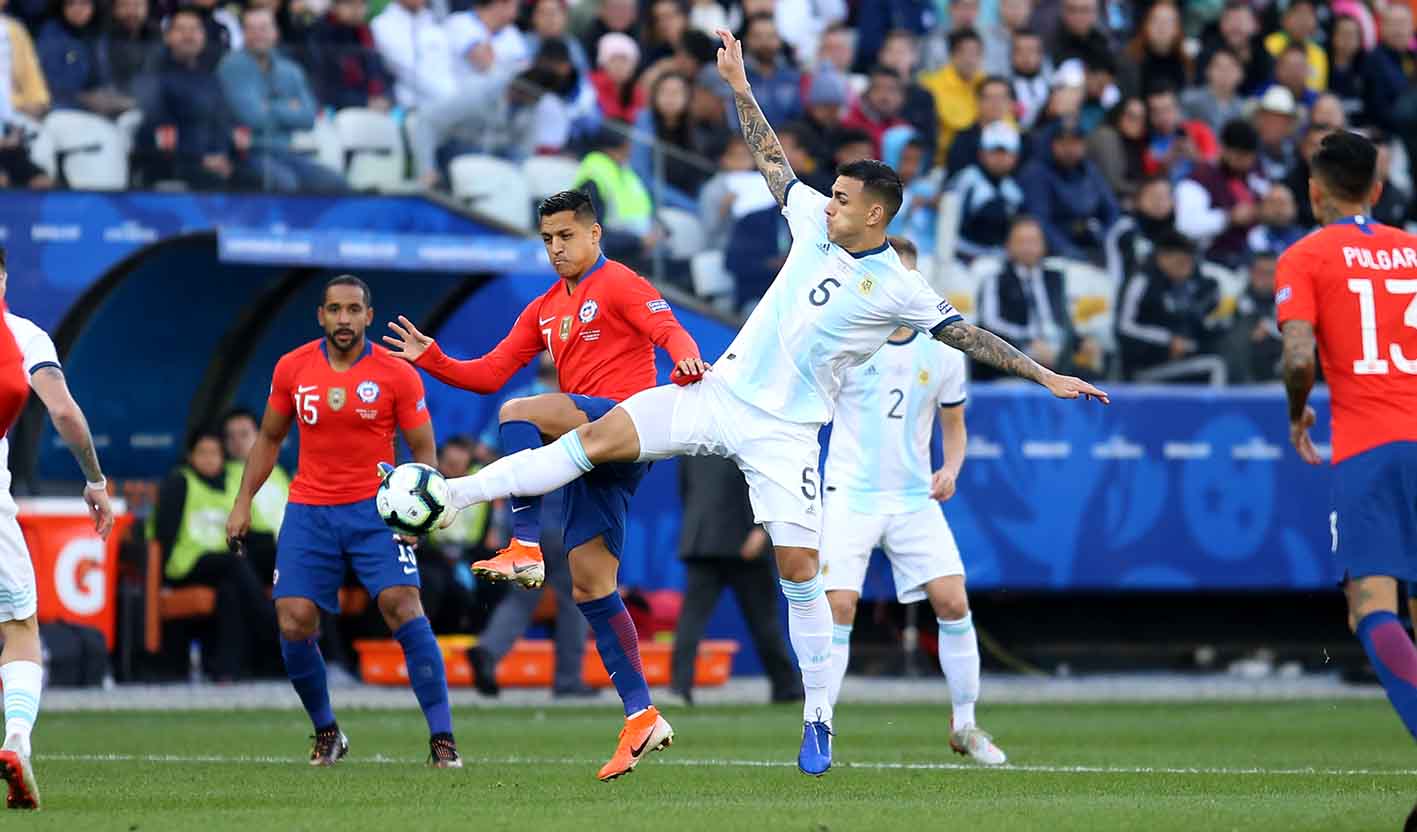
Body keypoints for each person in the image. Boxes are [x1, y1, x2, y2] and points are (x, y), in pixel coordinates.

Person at [429, 28, 1107, 778]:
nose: (829, 203)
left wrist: (1045, 376)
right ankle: (453, 495)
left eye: (844, 198)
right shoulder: (812, 222)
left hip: (786, 434)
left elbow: (966, 335)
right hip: (717, 394)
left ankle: (818, 720)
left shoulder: (903, 289)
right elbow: (772, 161)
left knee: (798, 568)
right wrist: (739, 88)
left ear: (874, 215)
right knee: (595, 437)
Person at [382, 188, 704, 780]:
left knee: (518, 413)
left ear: (594, 234)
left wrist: (685, 359)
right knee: (589, 588)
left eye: (566, 236)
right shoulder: (543, 309)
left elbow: (671, 331)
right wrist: (432, 358)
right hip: (589, 453)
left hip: (626, 420)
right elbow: (488, 372)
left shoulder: (622, 284)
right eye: (548, 239)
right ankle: (641, 714)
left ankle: (525, 543)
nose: (557, 248)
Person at [224, 275, 459, 768]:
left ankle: (442, 740)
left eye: (354, 310)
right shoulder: (293, 368)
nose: (344, 319)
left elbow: (423, 452)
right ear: (321, 315)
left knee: (401, 604)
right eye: (335, 310)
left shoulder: (397, 374)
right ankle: (327, 731)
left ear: (369, 317)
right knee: (292, 619)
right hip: (309, 509)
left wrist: (422, 513)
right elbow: (268, 438)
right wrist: (244, 500)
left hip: (375, 510)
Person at [818, 236, 1005, 765]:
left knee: (952, 600)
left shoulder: (943, 348)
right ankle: (820, 725)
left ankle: (965, 725)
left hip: (912, 496)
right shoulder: (845, 342)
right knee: (838, 606)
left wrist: (951, 468)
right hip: (850, 494)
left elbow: (955, 423)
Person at [1276, 132, 1417, 831]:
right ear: (1376, 189)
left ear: (1313, 188)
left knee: (1371, 606)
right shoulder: (1413, 251)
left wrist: (1298, 411)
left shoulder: (1305, 255)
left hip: (1370, 445)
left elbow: (1299, 353)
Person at [0, 246, 114, 811]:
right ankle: (17, 738)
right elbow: (64, 413)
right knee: (19, 623)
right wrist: (94, 479)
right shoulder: (23, 337)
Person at [670, 453, 800, 706]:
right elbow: (767, 487)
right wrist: (760, 529)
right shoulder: (748, 433)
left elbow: (685, 491)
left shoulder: (694, 441)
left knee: (693, 620)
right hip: (743, 541)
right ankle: (787, 687)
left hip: (703, 540)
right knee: (764, 622)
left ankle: (679, 687)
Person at [154, 430, 277, 681]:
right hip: (187, 564)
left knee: (230, 590)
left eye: (215, 453)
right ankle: (271, 626)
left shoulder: (232, 484)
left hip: (225, 566)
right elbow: (163, 532)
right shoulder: (181, 482)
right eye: (203, 453)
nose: (209, 459)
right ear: (190, 456)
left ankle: (226, 670)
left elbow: (253, 528)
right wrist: (160, 583)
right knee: (233, 564)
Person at [217, 8, 346, 193]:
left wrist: (269, 106)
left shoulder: (290, 69)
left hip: (287, 152)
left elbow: (309, 117)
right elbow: (252, 117)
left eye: (263, 28)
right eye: (251, 29)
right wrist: (288, 108)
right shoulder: (231, 66)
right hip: (249, 153)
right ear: (243, 33)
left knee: (335, 183)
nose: (257, 35)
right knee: (285, 184)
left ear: (275, 32)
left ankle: (310, 223)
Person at [135, 8, 240, 190]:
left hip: (215, 159)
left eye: (195, 30)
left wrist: (222, 154)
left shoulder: (211, 77)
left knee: (254, 177)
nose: (189, 36)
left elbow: (224, 120)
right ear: (167, 36)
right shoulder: (156, 76)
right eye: (181, 30)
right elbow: (157, 129)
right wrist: (202, 158)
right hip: (175, 163)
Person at [976, 217, 1089, 378]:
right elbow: (989, 323)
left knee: (1094, 382)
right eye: (1021, 241)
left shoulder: (1056, 278)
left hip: (1058, 358)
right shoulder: (996, 280)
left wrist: (1081, 342)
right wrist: (1027, 343)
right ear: (1008, 245)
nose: (1028, 247)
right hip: (1014, 359)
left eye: (1033, 241)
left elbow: (1064, 321)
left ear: (1043, 245)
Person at [1115, 229, 1223, 381]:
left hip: (1184, 357)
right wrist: (1167, 341)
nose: (1187, 268)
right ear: (1162, 258)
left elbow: (1199, 325)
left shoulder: (1192, 285)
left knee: (1224, 351)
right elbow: (1124, 326)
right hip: (1146, 364)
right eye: (1181, 262)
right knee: (1215, 366)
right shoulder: (1141, 281)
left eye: (1189, 262)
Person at [1018, 118, 1118, 263]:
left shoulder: (1089, 170)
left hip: (1092, 242)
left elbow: (1112, 209)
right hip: (1054, 253)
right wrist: (1068, 251)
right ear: (1051, 144)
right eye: (1063, 143)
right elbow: (1039, 221)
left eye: (1076, 142)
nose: (1070, 149)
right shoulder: (1036, 173)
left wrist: (1107, 238)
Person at [1176, 118, 1263, 269]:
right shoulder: (1199, 179)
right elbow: (1186, 225)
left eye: (1250, 157)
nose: (1246, 163)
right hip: (1210, 261)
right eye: (1239, 156)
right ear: (1223, 148)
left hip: (1251, 259)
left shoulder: (1253, 175)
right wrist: (1228, 217)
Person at [221, 407, 288, 583]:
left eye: (244, 434)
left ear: (259, 436)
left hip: (289, 543)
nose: (237, 442)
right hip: (259, 547)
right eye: (231, 436)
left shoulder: (278, 472)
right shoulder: (224, 474)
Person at [949, 120, 1024, 262]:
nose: (1000, 158)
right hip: (962, 257)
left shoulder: (1013, 190)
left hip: (998, 258)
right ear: (982, 153)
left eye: (1006, 153)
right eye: (994, 152)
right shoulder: (966, 180)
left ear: (1015, 157)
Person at [304, 0, 393, 111]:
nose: (356, 10)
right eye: (350, 4)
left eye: (362, 4)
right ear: (334, 6)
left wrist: (385, 97)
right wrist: (364, 102)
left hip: (374, 107)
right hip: (338, 112)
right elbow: (324, 86)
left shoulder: (365, 34)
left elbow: (381, 73)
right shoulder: (321, 35)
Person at [920, 28, 984, 166]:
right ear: (952, 55)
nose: (970, 59)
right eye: (964, 53)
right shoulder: (931, 85)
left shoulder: (986, 83)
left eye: (976, 53)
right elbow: (960, 124)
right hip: (944, 162)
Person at [1219, 250, 1281, 384]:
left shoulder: (1289, 299)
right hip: (1244, 362)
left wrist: (1269, 329)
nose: (1265, 279)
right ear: (1251, 273)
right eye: (1260, 273)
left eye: (1271, 273)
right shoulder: (1233, 299)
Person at [1105, 174, 1175, 286]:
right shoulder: (1126, 230)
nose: (1159, 203)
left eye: (1165, 197)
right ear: (1137, 200)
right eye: (1154, 197)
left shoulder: (1175, 234)